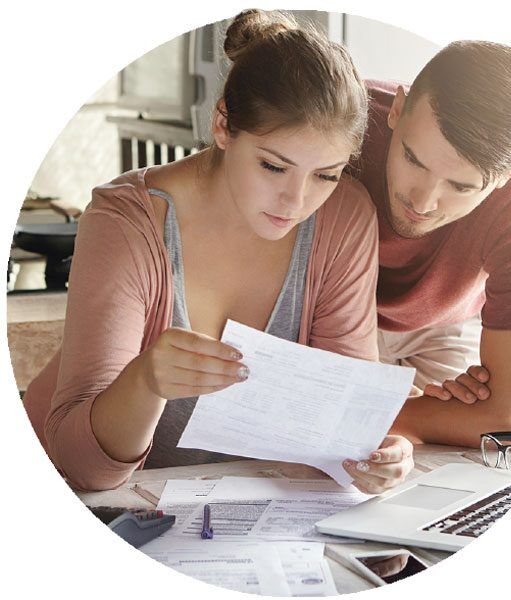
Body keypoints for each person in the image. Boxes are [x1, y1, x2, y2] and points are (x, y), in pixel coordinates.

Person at [23, 10, 414, 494]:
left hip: (229, 522)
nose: (297, 202)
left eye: (326, 175)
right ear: (224, 125)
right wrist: (146, 381)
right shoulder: (125, 222)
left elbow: (337, 427)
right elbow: (86, 470)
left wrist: (375, 454)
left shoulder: (344, 218)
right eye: (274, 167)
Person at [352, 41, 511, 447]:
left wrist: (365, 412)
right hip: (332, 315)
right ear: (397, 110)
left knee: (449, 472)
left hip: (443, 325)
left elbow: (508, 419)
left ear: (506, 176)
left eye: (461, 186)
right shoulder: (342, 119)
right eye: (413, 159)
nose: (422, 202)